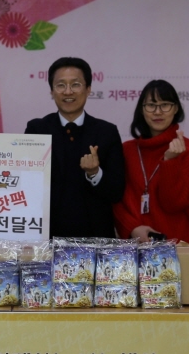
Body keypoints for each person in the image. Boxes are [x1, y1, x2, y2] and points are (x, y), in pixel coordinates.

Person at [24, 57, 125, 238]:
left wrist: (95, 173)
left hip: (95, 238)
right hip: (47, 236)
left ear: (88, 89)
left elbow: (116, 192)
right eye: (60, 85)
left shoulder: (107, 132)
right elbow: (27, 184)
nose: (68, 91)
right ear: (52, 91)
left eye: (76, 84)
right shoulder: (37, 130)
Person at [113, 79, 189, 247]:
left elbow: (174, 204)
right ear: (142, 109)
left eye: (165, 105)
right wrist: (132, 228)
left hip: (179, 248)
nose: (158, 112)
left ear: (175, 108)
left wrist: (170, 162)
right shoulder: (126, 150)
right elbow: (115, 199)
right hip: (135, 248)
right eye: (151, 105)